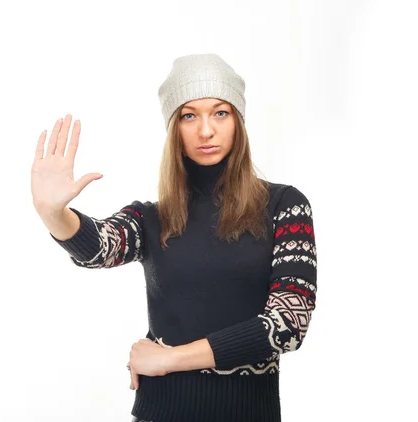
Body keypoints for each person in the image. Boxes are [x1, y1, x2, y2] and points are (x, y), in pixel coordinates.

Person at [30, 53, 317, 422]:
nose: (206, 130)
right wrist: (53, 213)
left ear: (238, 121)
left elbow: (289, 323)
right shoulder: (152, 218)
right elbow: (100, 246)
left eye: (220, 112)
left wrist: (170, 358)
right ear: (174, 129)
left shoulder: (284, 206)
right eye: (189, 115)